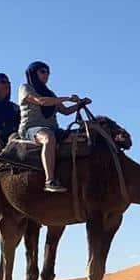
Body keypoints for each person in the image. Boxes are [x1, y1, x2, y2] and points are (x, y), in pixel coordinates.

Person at [18, 61, 90, 193]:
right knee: (48, 138)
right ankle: (49, 180)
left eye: (48, 72)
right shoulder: (26, 88)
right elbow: (41, 101)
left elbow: (65, 111)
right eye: (43, 72)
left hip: (54, 128)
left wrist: (80, 104)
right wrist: (67, 98)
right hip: (32, 128)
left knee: (82, 138)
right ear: (33, 73)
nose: (46, 75)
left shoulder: (51, 94)